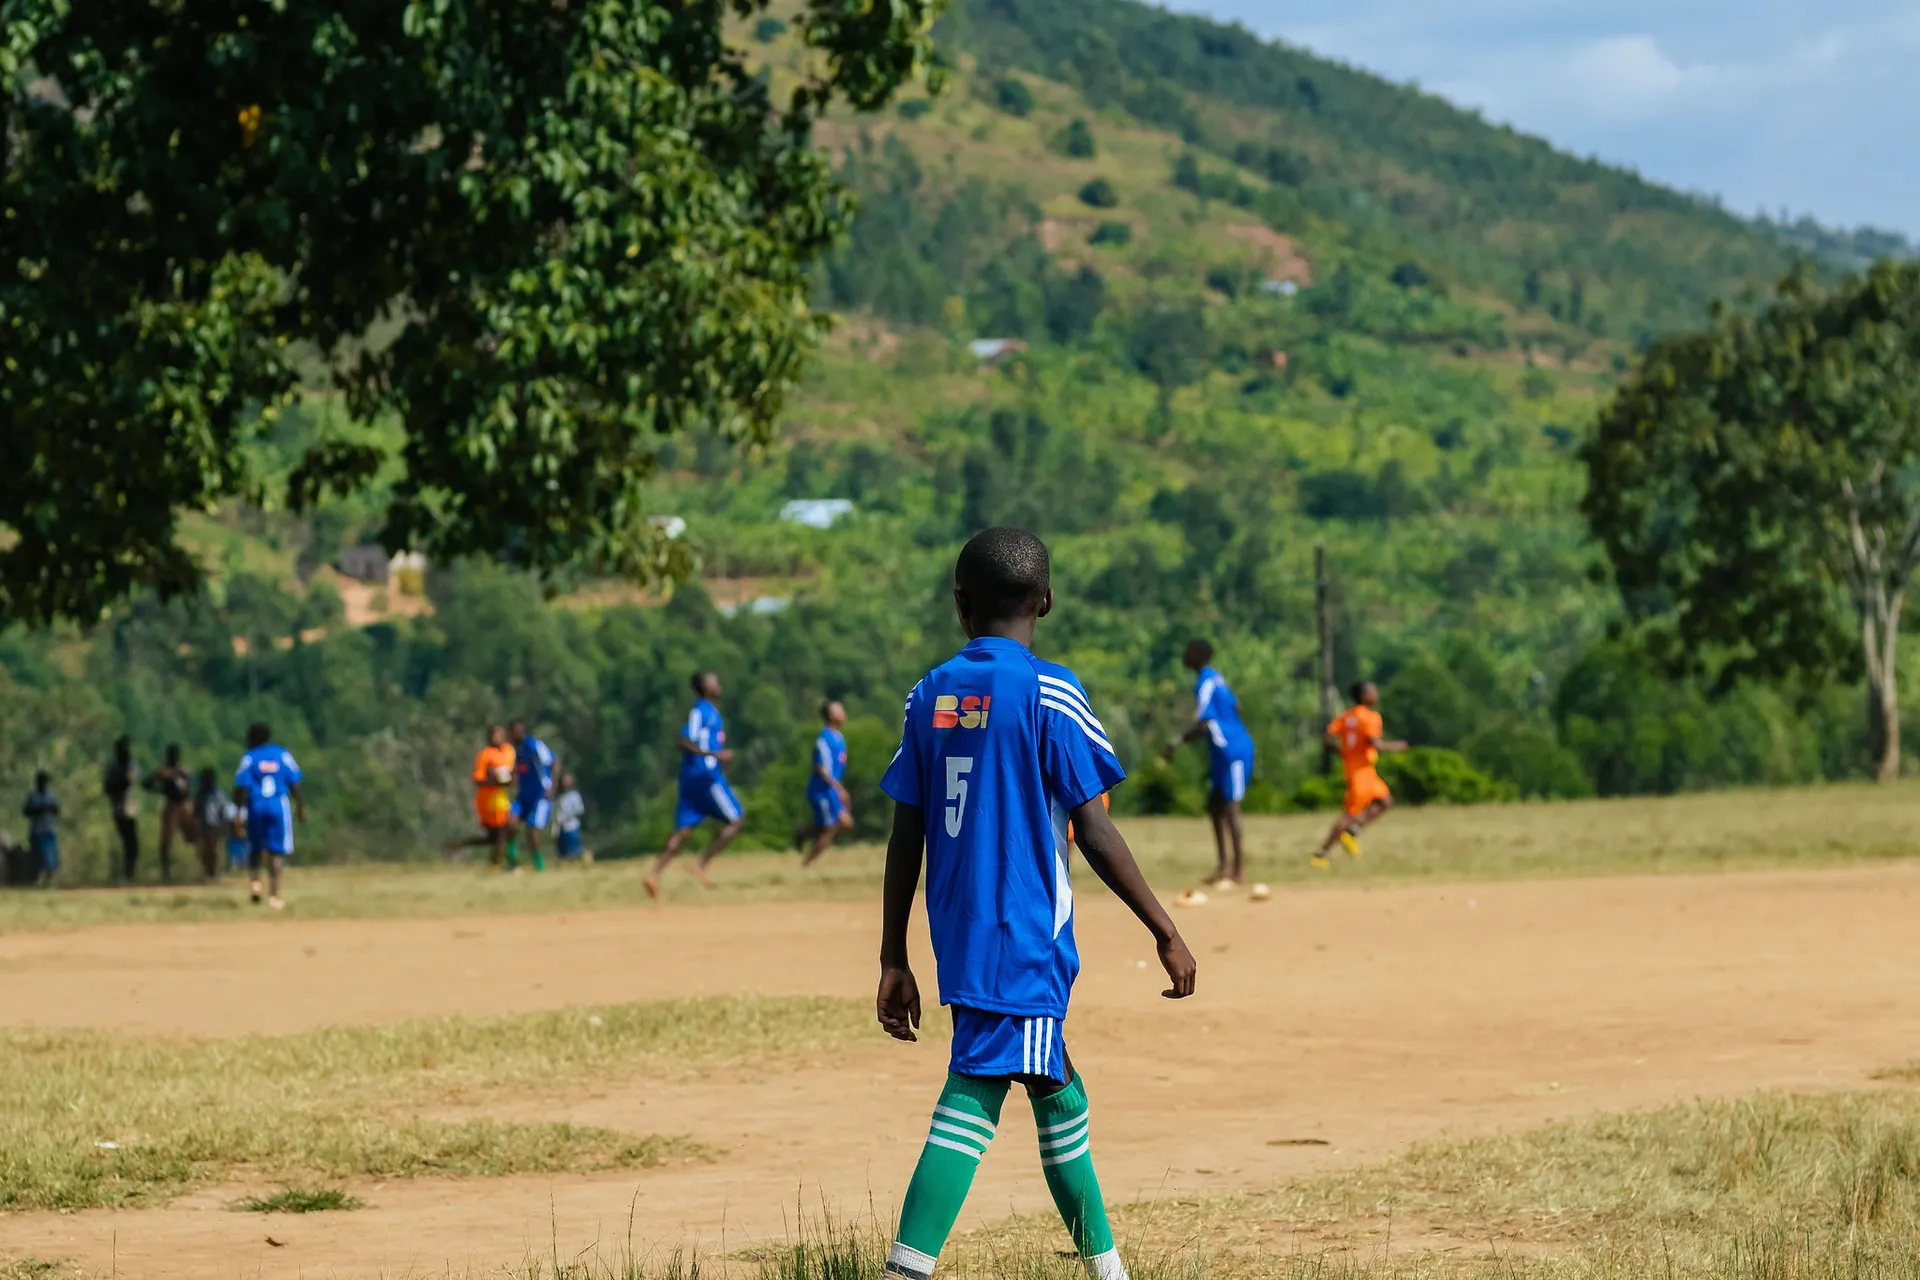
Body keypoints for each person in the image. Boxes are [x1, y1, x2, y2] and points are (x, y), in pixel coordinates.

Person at [876, 526, 1197, 1280]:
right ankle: (904, 1271)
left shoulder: (930, 695)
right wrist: (1165, 928)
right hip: (1023, 936)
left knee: (1057, 1089)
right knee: (976, 1096)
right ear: (1045, 600)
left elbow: (906, 830)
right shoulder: (1051, 691)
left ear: (960, 607)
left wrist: (894, 954)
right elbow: (1096, 825)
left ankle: (1108, 1268)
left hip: (961, 937)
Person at [1162, 641, 1255, 889]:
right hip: (1222, 750)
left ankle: (1238, 870)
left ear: (1196, 656)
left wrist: (1176, 742)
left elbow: (1203, 722)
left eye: (1188, 651)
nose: (1184, 654)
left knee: (1231, 808)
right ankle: (1223, 866)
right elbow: (1238, 706)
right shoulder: (1216, 678)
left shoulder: (1205, 682)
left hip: (1232, 750)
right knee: (1215, 805)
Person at [644, 671, 745, 898]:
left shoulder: (710, 713)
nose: (719, 684)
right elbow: (683, 741)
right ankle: (701, 864)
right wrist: (713, 755)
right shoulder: (702, 712)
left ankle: (654, 875)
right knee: (736, 819)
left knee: (683, 830)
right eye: (714, 682)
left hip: (691, 777)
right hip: (706, 777)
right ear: (705, 687)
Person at [1315, 680, 1407, 868]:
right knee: (1350, 813)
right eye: (1373, 691)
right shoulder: (1370, 717)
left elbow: (1327, 739)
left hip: (1359, 769)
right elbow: (1376, 744)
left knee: (1385, 801)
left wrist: (1341, 753)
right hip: (1361, 772)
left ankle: (1352, 832)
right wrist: (1398, 746)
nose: (1376, 694)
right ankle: (1321, 854)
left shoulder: (1347, 716)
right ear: (1365, 696)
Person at [233, 723, 305, 909]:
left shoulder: (249, 758)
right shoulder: (282, 755)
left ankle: (256, 882)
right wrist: (300, 806)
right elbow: (295, 782)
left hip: (256, 805)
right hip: (278, 806)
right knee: (276, 851)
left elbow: (240, 787)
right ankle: (274, 894)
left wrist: (239, 813)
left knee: (255, 848)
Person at [794, 699, 853, 867]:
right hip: (822, 791)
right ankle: (806, 865)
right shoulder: (825, 738)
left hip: (831, 790)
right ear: (832, 716)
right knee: (832, 827)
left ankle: (803, 835)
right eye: (839, 709)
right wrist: (838, 788)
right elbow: (820, 767)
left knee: (837, 825)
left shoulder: (838, 737)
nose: (843, 712)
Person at [448, 725, 517, 868]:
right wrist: (494, 779)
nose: (495, 738)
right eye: (493, 735)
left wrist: (510, 780)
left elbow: (512, 773)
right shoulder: (485, 755)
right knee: (505, 830)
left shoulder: (509, 751)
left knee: (498, 836)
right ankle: (499, 864)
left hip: (501, 796)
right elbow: (478, 780)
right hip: (487, 799)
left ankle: (460, 844)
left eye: (498, 734)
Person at [508, 720, 558, 873]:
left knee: (532, 829)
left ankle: (538, 863)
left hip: (539, 795)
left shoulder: (534, 745)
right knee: (510, 821)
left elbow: (554, 761)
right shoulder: (514, 751)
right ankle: (512, 860)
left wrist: (552, 787)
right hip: (523, 796)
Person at [142, 742, 195, 883]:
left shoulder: (183, 772)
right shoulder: (163, 772)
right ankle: (166, 873)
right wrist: (161, 788)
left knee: (193, 836)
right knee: (166, 841)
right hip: (171, 805)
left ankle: (197, 868)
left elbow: (190, 786)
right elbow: (146, 783)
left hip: (184, 804)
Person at [102, 736, 141, 883]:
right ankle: (127, 874)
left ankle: (129, 873)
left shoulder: (131, 766)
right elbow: (108, 787)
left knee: (132, 842)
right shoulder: (114, 767)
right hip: (119, 807)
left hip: (130, 806)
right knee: (127, 840)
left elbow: (129, 782)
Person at [192, 767, 233, 880]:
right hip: (204, 826)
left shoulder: (218, 794)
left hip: (215, 825)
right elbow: (196, 811)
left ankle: (213, 871)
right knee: (205, 850)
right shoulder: (200, 795)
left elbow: (223, 811)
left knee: (214, 849)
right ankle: (207, 871)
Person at [22, 770, 59, 888]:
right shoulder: (33, 797)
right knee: (37, 858)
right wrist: (38, 809)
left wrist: (48, 808)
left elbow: (57, 810)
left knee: (50, 858)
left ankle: (48, 882)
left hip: (49, 829)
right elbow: (26, 811)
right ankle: (36, 881)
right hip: (37, 830)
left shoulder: (51, 796)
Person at [553, 772, 591, 864]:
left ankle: (587, 857)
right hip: (561, 827)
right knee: (562, 849)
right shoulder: (560, 797)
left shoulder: (574, 795)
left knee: (575, 847)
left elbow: (579, 809)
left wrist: (568, 816)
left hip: (571, 825)